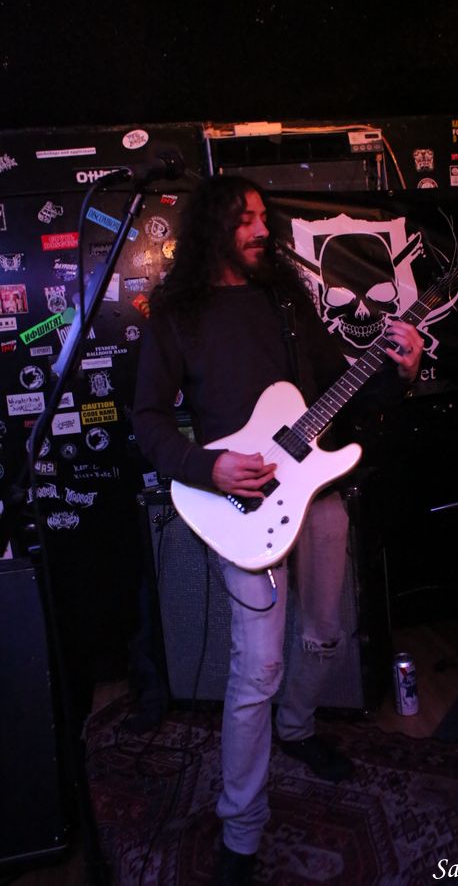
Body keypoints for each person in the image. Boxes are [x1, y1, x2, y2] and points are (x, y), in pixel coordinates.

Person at [132, 175, 423, 884]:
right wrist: (207, 466)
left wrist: (401, 373)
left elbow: (343, 396)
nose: (262, 231)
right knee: (257, 666)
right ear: (211, 229)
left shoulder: (287, 303)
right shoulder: (178, 315)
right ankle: (241, 829)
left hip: (316, 495)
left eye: (264, 217)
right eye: (245, 220)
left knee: (326, 635)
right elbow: (148, 419)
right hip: (238, 507)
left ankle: (297, 728)